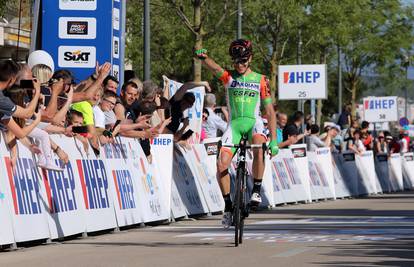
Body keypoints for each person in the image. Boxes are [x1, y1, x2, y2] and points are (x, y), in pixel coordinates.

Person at [196, 39, 278, 228]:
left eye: (243, 61)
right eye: (236, 62)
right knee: (221, 163)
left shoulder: (261, 79)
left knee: (258, 144)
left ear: (250, 58)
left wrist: (273, 140)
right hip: (233, 125)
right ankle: (228, 206)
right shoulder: (229, 78)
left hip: (253, 123)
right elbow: (216, 68)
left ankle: (256, 189)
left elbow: (270, 112)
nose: (239, 65)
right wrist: (204, 58)